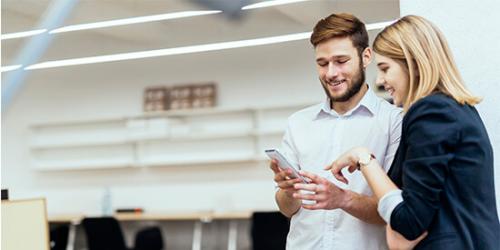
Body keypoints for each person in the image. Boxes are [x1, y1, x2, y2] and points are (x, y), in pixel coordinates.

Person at [324, 15, 500, 249]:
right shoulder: (458, 110)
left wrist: (363, 158)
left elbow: (408, 223)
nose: (380, 80)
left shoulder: (431, 112)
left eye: (386, 69)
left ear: (414, 64)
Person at [270, 13, 403, 249]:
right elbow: (286, 209)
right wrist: (288, 191)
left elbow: (396, 210)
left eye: (341, 61)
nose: (331, 73)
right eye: (322, 63)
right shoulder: (298, 123)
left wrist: (342, 199)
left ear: (366, 57)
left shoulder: (394, 121)